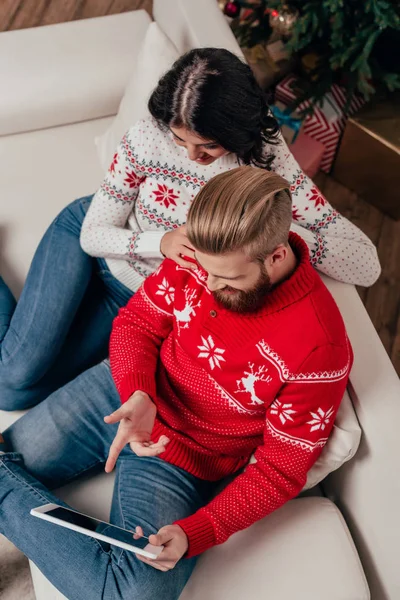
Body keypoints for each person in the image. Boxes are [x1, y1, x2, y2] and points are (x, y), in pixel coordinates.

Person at [0, 167, 353, 600]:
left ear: (276, 256)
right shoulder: (199, 257)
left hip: (185, 459)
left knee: (136, 594)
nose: (206, 283)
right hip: (119, 396)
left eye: (227, 279)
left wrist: (196, 532)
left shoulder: (320, 347)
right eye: (203, 270)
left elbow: (279, 470)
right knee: (8, 454)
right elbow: (137, 323)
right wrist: (138, 391)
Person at [0, 48, 375, 412]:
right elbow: (92, 233)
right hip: (91, 243)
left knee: (11, 395)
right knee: (16, 369)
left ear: (237, 129)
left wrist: (273, 223)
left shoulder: (266, 159)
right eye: (180, 140)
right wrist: (160, 242)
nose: (191, 156)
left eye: (208, 145)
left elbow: (366, 265)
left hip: (137, 294)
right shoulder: (149, 137)